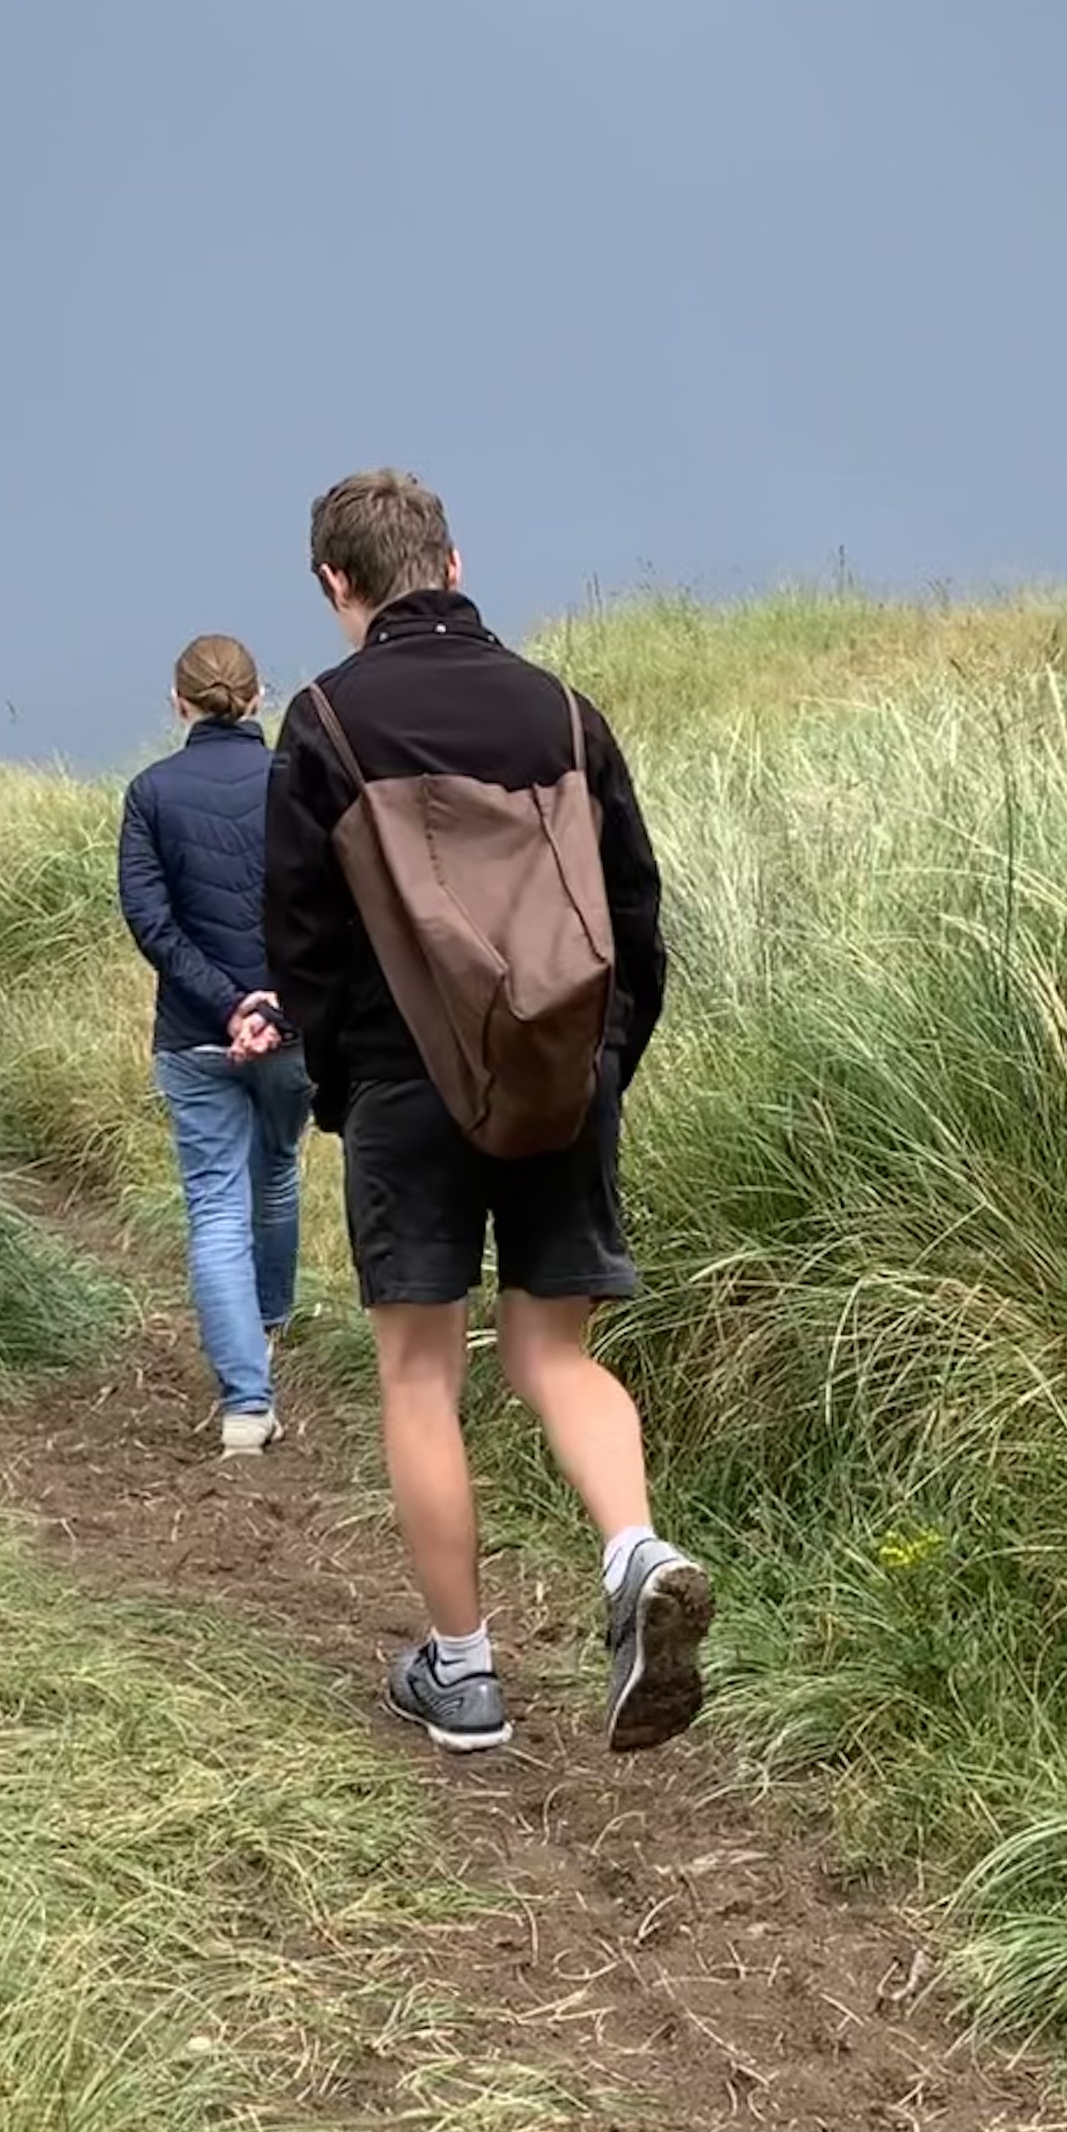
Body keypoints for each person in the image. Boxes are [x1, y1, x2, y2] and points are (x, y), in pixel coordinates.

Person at [261, 468, 710, 1756]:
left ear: (335, 586)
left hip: (407, 1083)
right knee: (554, 1353)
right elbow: (635, 919)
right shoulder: (565, 714)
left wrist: (343, 1087)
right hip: (565, 1074)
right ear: (454, 564)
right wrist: (602, 1061)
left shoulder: (326, 723)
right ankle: (634, 1551)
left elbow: (302, 940)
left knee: (420, 1372)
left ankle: (462, 1677)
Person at [118, 633, 313, 1458]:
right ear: (259, 696)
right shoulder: (302, 784)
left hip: (194, 1038)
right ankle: (266, 1325)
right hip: (297, 1034)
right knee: (276, 1171)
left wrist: (229, 1004)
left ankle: (244, 1402)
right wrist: (277, 1009)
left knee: (215, 1210)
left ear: (179, 704)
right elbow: (339, 910)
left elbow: (149, 921)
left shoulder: (151, 792)